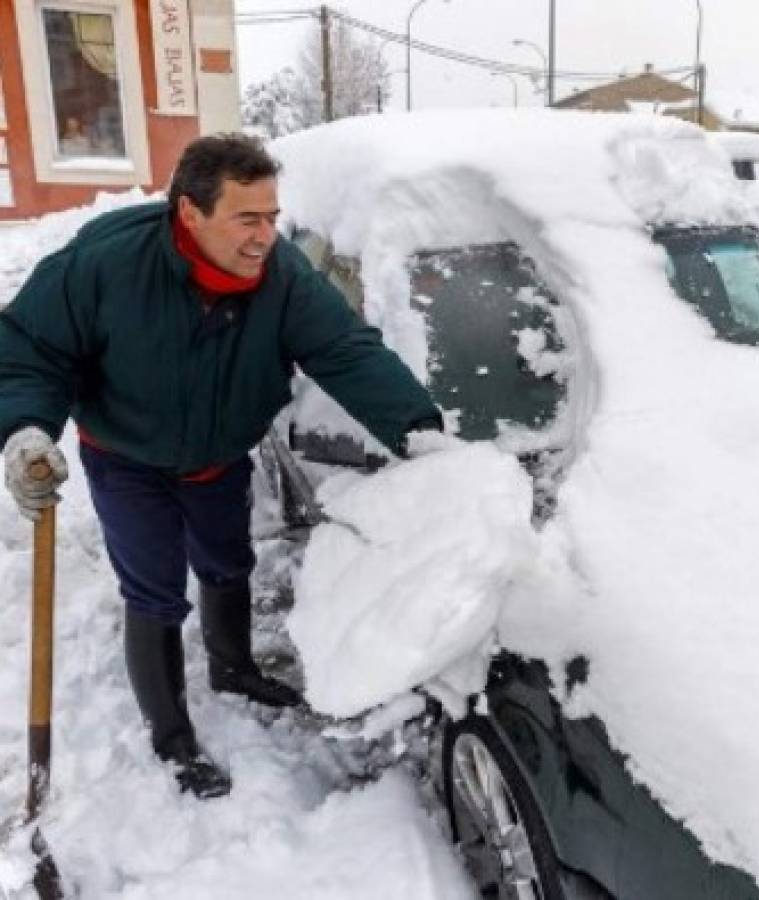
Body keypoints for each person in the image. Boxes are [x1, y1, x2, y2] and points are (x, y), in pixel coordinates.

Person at [0, 134, 442, 799]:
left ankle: (232, 667)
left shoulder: (283, 276)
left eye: (271, 216)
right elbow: (32, 347)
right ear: (190, 214)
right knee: (154, 593)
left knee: (228, 564)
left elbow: (347, 352)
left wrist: (418, 432)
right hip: (129, 459)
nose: (266, 236)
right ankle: (173, 739)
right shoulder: (106, 263)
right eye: (247, 218)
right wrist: (27, 431)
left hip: (217, 457)